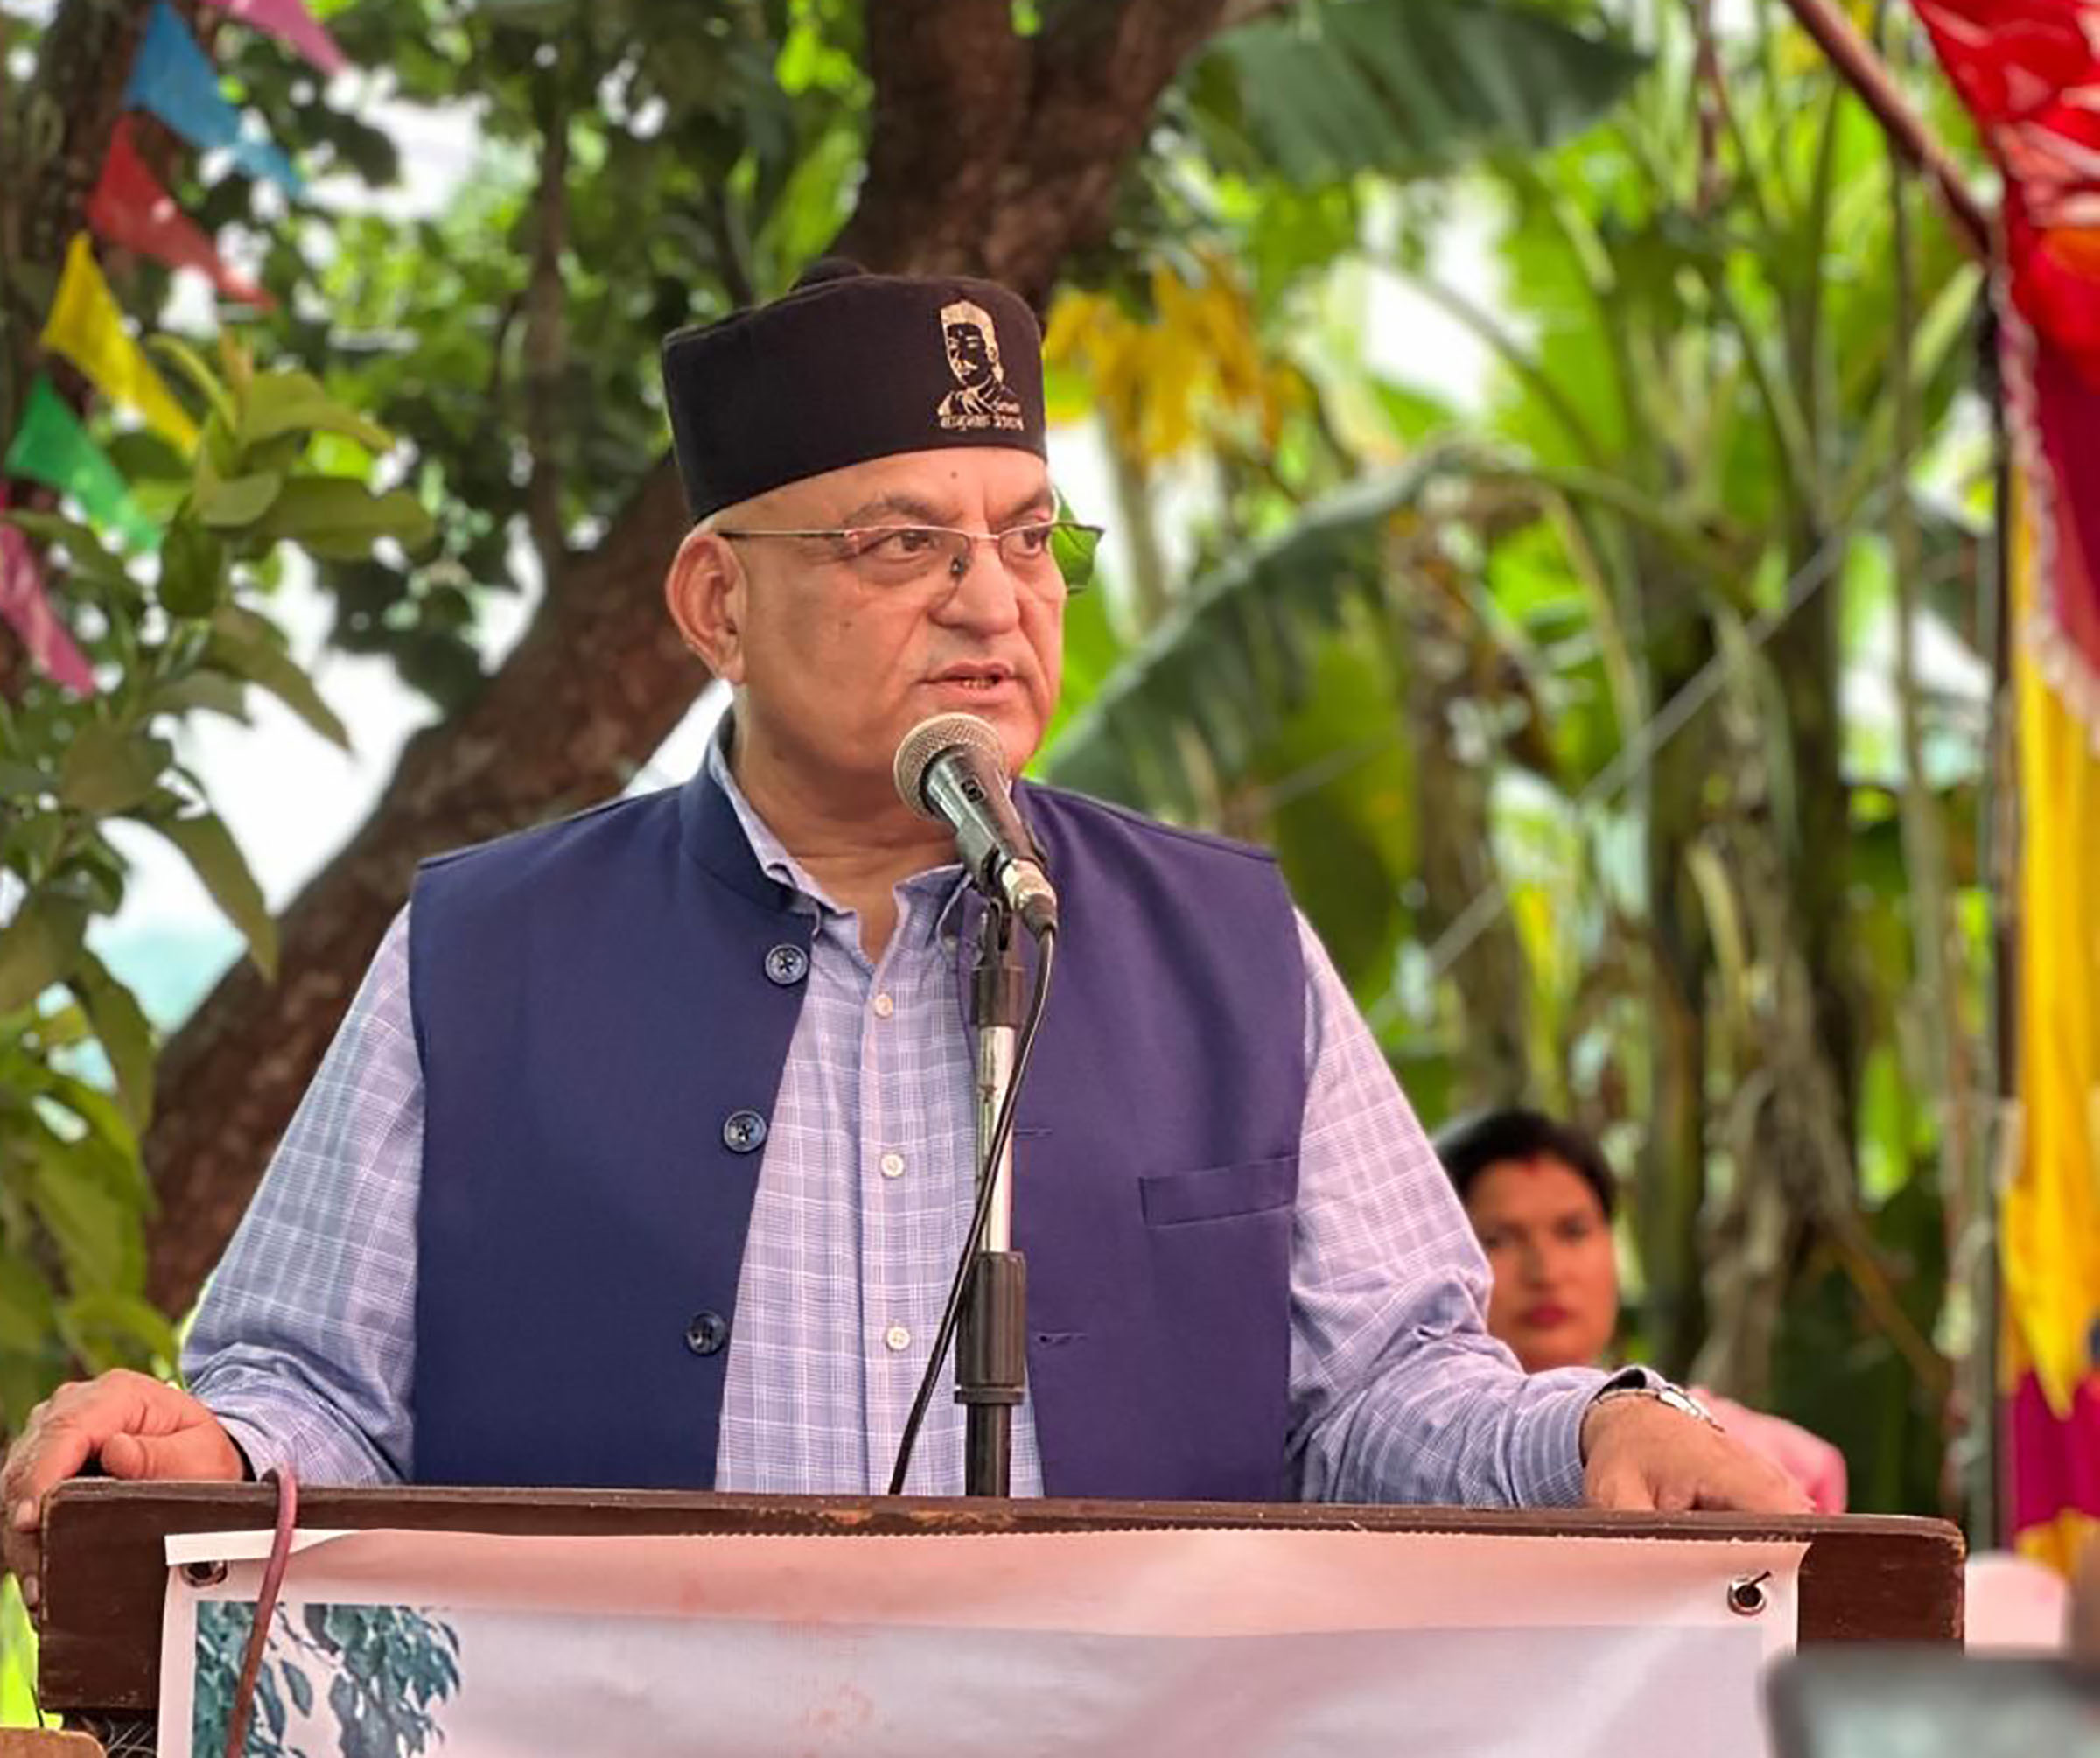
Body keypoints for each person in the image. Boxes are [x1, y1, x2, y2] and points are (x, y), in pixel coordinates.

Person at [1, 263, 1805, 1601]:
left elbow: (1382, 1396)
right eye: (900, 545)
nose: (992, 602)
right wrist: (202, 1446)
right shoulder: (484, 951)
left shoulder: (1231, 944)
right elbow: (317, 1393)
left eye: (1029, 541)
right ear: (718, 601)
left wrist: (1588, 1427)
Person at [1434, 1105, 1849, 1513]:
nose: (1546, 1271)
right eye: (1497, 1240)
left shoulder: (1783, 1462)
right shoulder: (1413, 1474)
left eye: (1573, 1231)